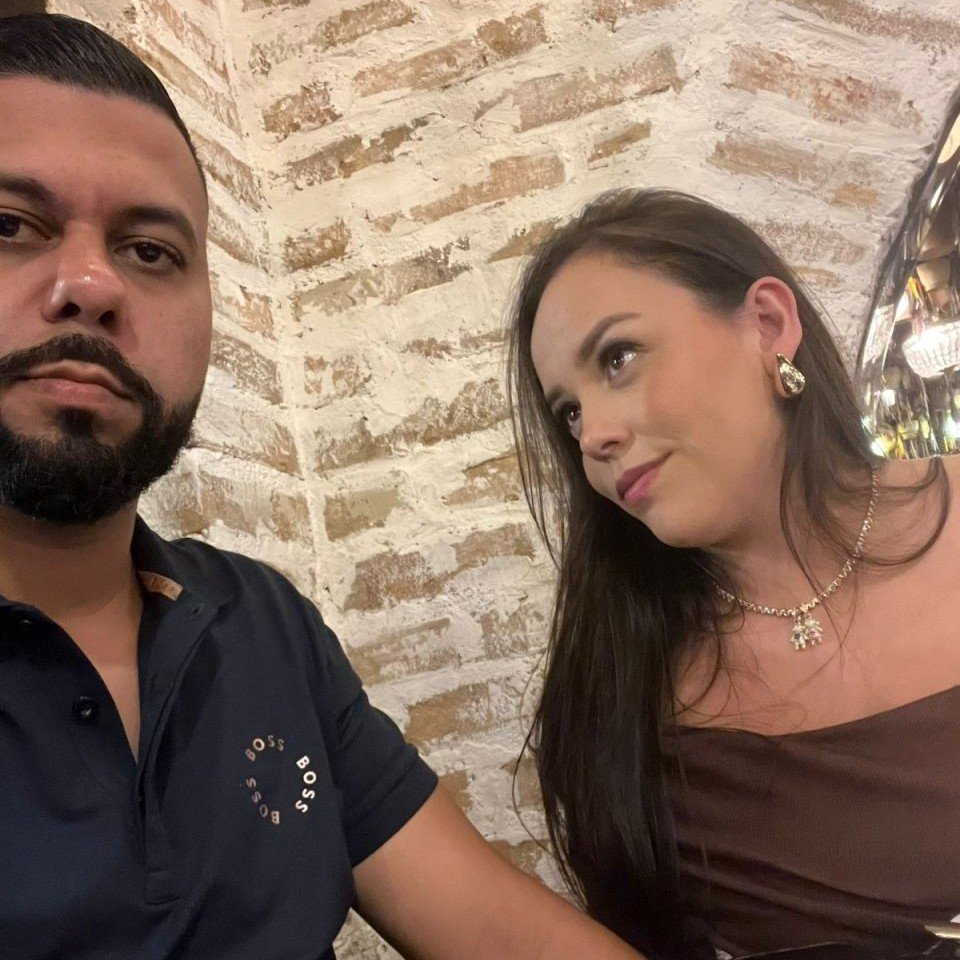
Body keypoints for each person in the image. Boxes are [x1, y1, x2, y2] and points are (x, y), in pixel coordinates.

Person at [0, 14, 648, 960]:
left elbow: (499, 929)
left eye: (150, 251)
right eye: (12, 225)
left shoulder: (260, 624)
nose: (93, 284)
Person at [506, 188, 960, 959]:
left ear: (768, 324)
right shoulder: (621, 693)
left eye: (618, 358)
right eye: (568, 413)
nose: (594, 438)